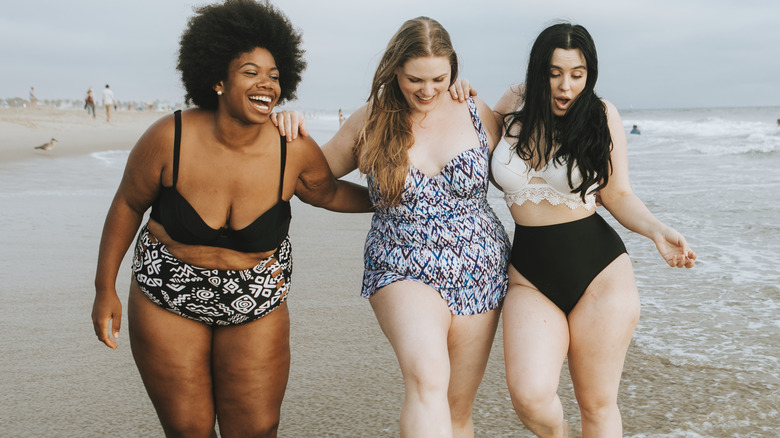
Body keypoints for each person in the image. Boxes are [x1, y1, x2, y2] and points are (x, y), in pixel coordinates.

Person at [90, 1, 371, 437]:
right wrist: (103, 288)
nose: (266, 84)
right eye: (250, 72)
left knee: (257, 429)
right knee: (189, 429)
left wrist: (395, 199)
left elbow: (329, 193)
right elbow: (127, 204)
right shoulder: (170, 137)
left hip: (256, 297)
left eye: (275, 75)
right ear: (218, 80)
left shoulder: (290, 149)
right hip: (167, 291)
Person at [289, 16, 511, 437]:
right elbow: (313, 179)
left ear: (454, 70)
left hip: (482, 270)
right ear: (395, 70)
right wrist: (289, 128)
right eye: (415, 80)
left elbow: (522, 173)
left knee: (456, 411)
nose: (428, 91)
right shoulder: (370, 120)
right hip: (400, 264)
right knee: (427, 380)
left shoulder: (476, 111)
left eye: (439, 78)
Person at [483, 23, 695, 437]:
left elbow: (617, 193)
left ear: (589, 73)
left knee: (596, 405)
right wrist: (461, 94)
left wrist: (656, 230)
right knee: (530, 396)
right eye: (555, 73)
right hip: (528, 276)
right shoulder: (513, 102)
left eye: (577, 74)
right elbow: (469, 144)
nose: (565, 86)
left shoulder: (601, 115)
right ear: (538, 69)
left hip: (599, 274)